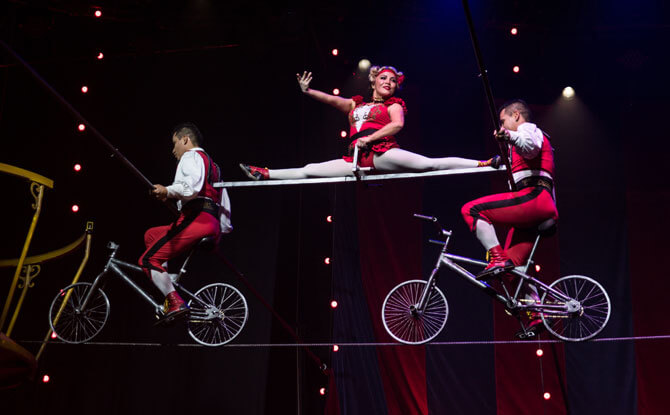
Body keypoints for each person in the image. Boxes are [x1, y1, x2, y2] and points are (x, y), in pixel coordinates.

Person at [240, 66, 499, 180]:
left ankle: (482, 163)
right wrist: (307, 91)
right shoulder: (356, 104)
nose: (388, 82)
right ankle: (264, 173)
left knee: (428, 165)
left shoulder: (393, 105)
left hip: (382, 153)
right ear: (374, 81)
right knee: (310, 169)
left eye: (393, 81)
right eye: (383, 78)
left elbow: (397, 126)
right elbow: (332, 100)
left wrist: (370, 139)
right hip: (354, 159)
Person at [460, 99, 558, 335]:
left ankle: (496, 258)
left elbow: (530, 146)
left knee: (472, 210)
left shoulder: (528, 130)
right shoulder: (517, 144)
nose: (501, 126)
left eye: (503, 121)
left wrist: (508, 137)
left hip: (535, 198)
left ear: (516, 115)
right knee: (511, 270)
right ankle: (537, 314)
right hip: (534, 207)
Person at [138, 122, 232, 324]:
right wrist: (220, 233)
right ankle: (167, 280)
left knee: (147, 260)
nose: (173, 150)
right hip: (210, 222)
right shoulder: (214, 167)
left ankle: (174, 301)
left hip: (197, 218)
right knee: (152, 235)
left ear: (185, 140)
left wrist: (167, 191)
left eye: (175, 144)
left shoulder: (191, 156)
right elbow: (224, 202)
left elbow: (190, 187)